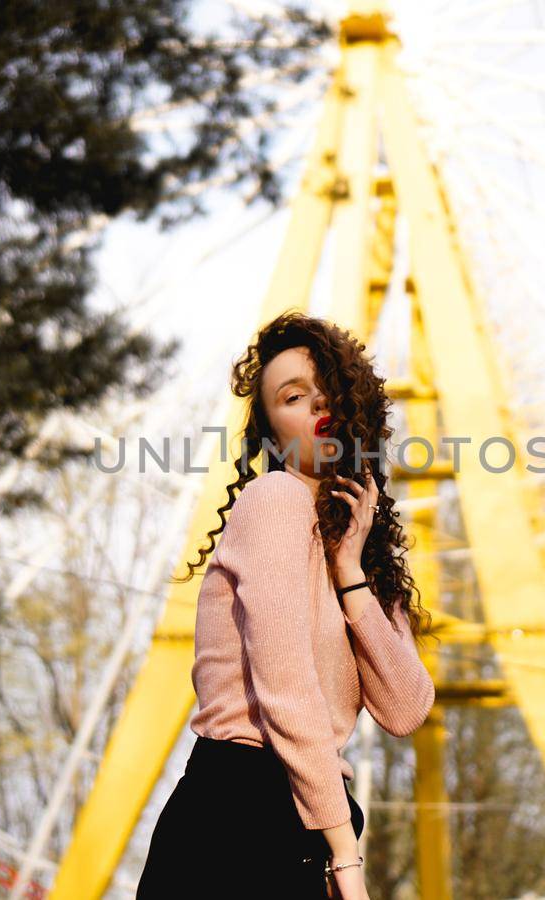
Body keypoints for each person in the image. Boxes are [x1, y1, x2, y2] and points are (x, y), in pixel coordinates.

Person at [137, 312, 438, 899]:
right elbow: (286, 688)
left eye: (327, 387)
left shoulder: (361, 553)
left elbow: (405, 708)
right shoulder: (274, 499)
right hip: (238, 814)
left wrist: (350, 574)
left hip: (311, 818)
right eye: (292, 397)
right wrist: (346, 860)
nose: (316, 403)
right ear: (272, 434)